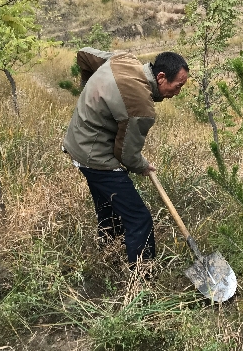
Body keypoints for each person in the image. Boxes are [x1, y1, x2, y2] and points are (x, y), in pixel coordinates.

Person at [63, 47, 189, 263]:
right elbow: (127, 155)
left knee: (109, 208)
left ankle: (107, 256)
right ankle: (142, 281)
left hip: (77, 143)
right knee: (139, 219)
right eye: (178, 86)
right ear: (161, 77)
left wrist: (87, 93)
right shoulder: (141, 105)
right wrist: (142, 165)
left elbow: (84, 55)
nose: (178, 93)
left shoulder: (123, 60)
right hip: (95, 158)